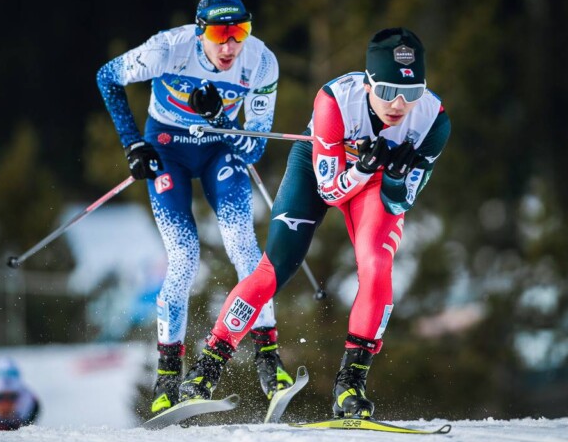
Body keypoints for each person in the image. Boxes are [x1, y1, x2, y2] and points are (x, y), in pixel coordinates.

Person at [178, 27, 452, 419]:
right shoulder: (334, 101)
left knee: (376, 267)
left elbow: (400, 198)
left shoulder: (433, 121)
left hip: (374, 182)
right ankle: (205, 372)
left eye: (411, 94)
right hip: (321, 170)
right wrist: (361, 168)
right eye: (389, 91)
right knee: (274, 269)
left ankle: (349, 387)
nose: (399, 105)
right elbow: (329, 191)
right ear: (368, 81)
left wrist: (390, 176)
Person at [96, 0, 292, 415]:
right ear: (200, 31)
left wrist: (221, 118)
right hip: (167, 147)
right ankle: (167, 378)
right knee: (183, 256)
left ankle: (269, 362)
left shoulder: (260, 62)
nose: (230, 45)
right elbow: (106, 76)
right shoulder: (167, 48)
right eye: (220, 33)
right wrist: (133, 144)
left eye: (239, 31)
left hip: (223, 149)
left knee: (244, 244)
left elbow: (255, 148)